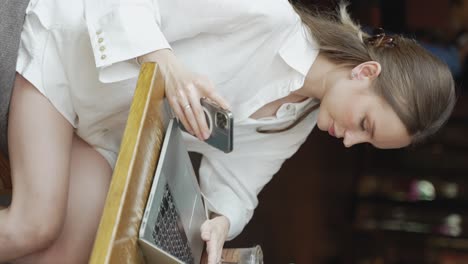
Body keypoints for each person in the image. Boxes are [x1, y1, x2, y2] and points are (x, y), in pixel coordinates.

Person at [0, 0, 456, 263]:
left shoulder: (295, 119)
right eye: (364, 125)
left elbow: (238, 183)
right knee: (34, 225)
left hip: (100, 129)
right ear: (366, 72)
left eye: (365, 142)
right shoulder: (267, 17)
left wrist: (221, 221)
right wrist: (162, 60)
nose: (349, 140)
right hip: (63, 58)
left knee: (66, 257)